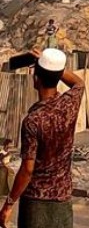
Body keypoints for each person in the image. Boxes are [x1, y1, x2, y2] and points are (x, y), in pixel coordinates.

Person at [0, 48, 84, 228]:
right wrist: (52, 66)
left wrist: (9, 204)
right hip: (62, 199)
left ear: (35, 79)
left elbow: (27, 170)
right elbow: (79, 83)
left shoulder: (32, 121)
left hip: (35, 203)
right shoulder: (70, 104)